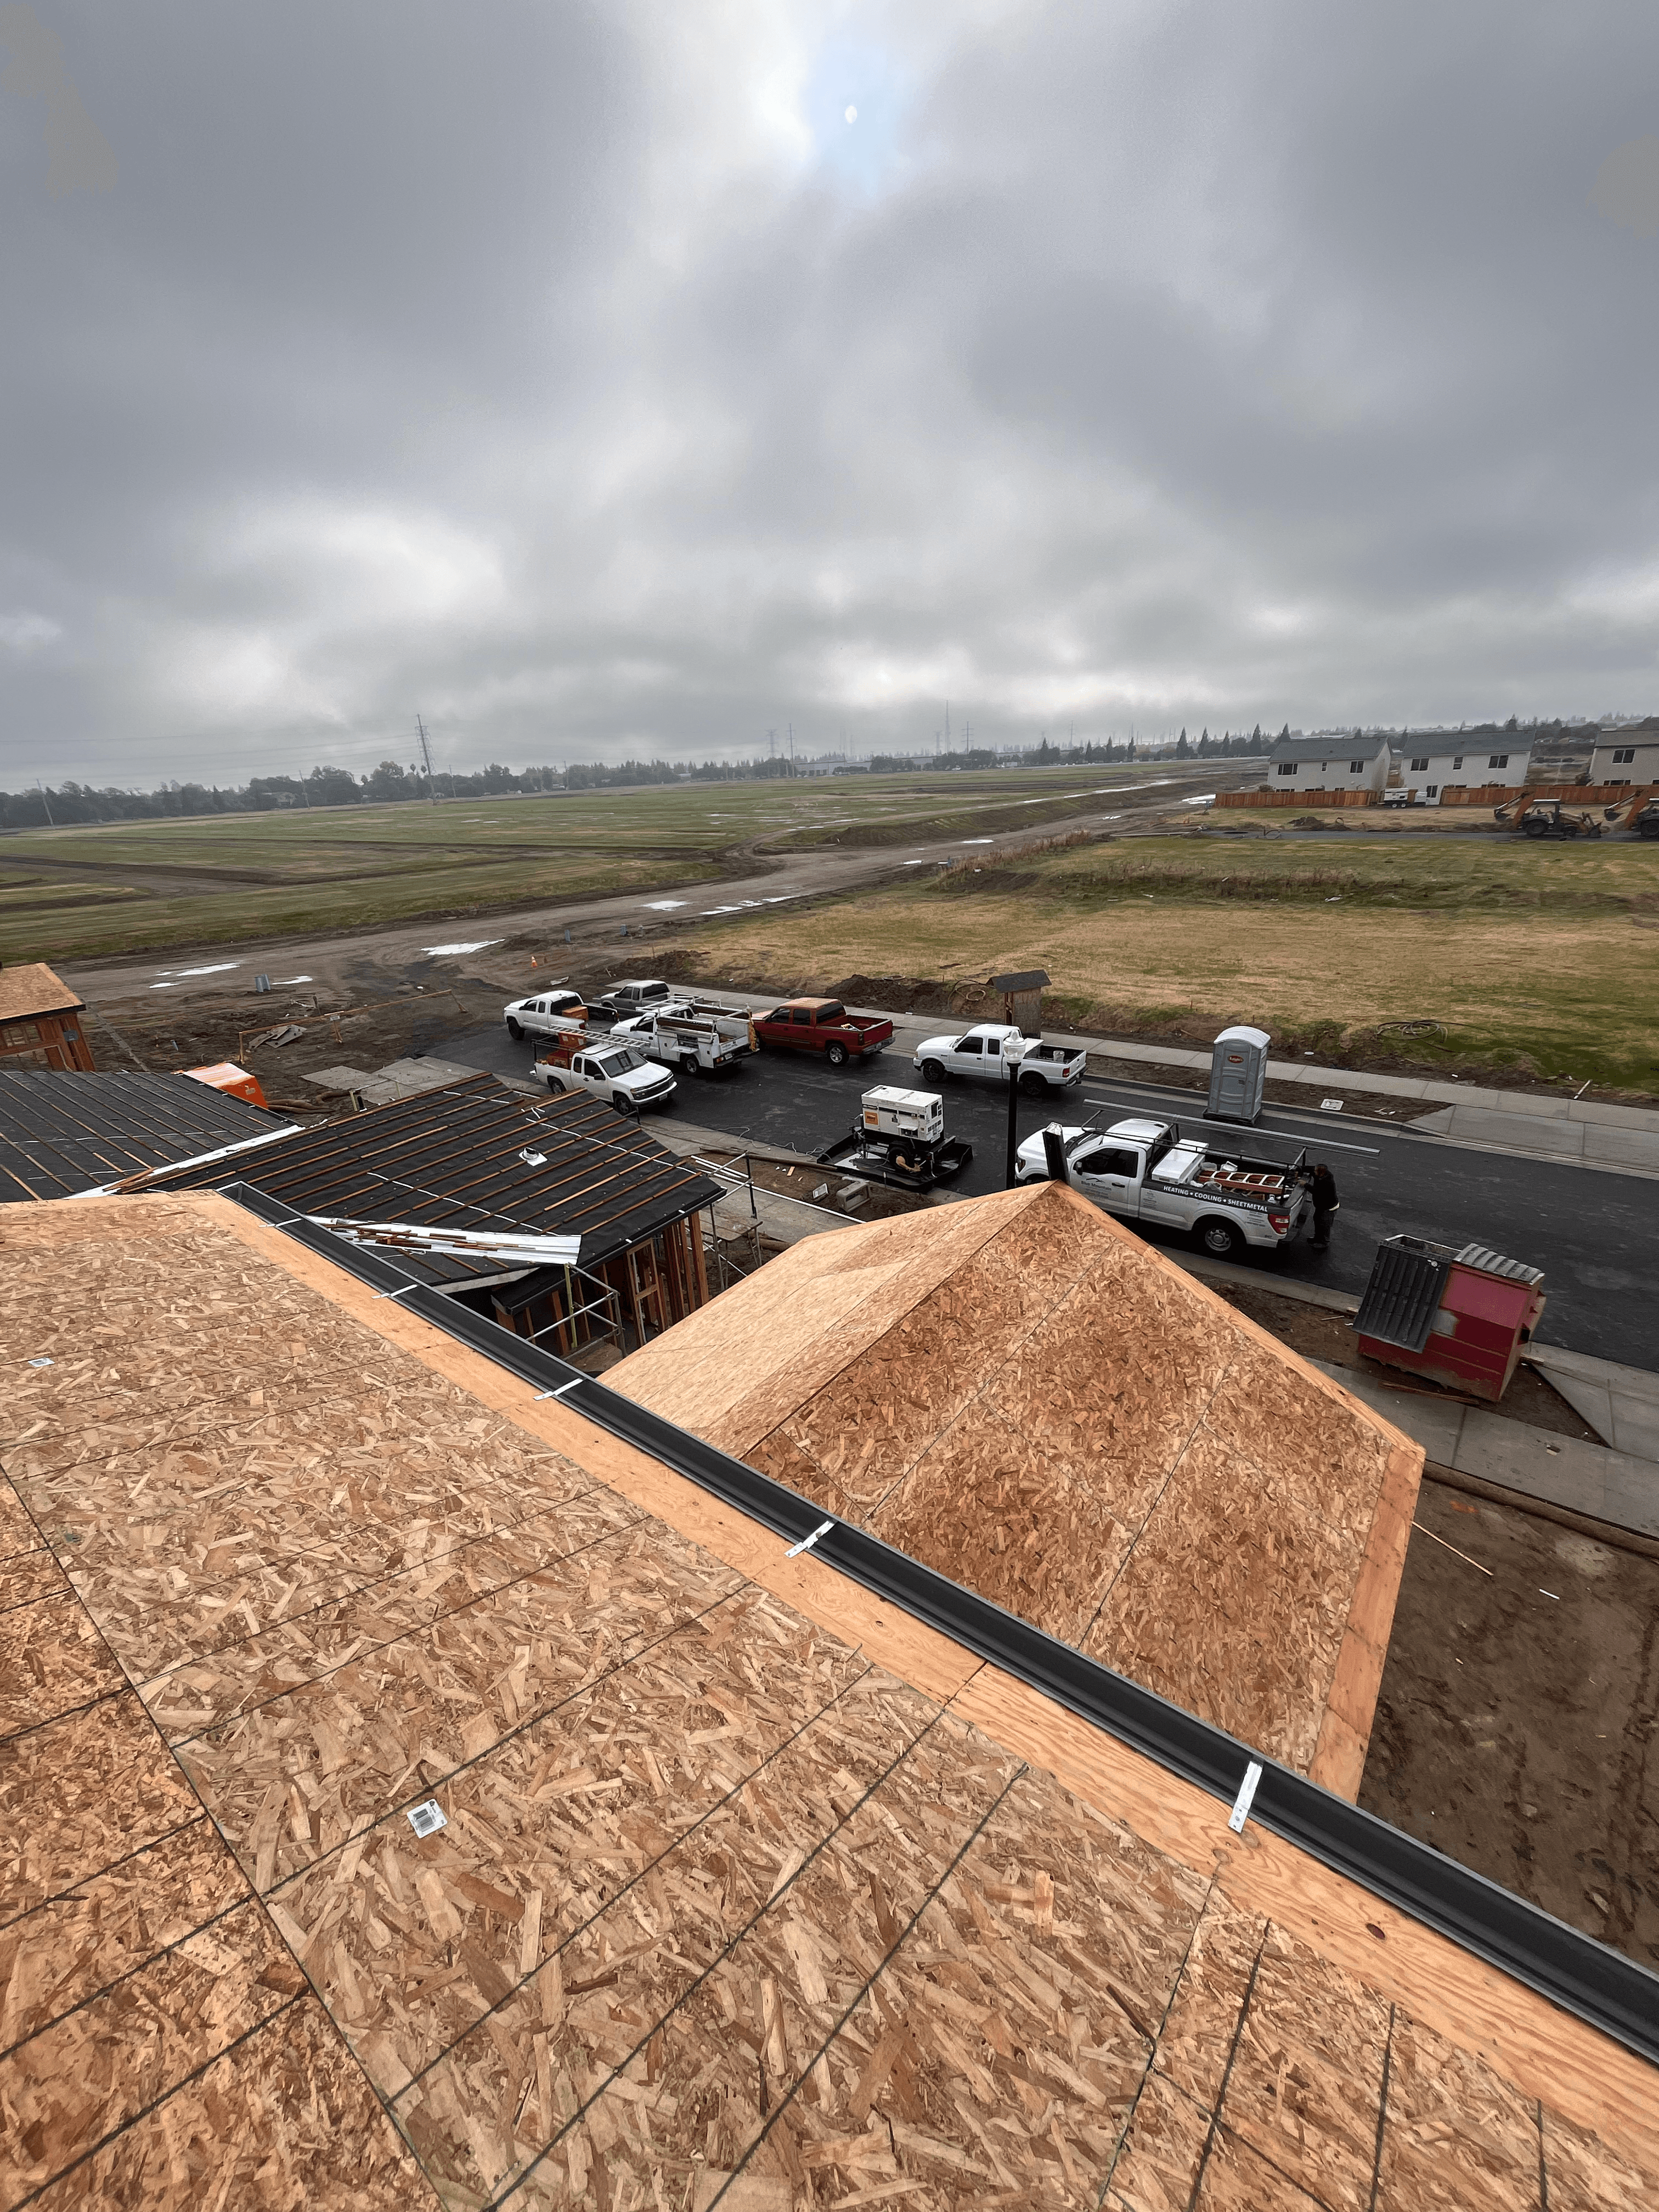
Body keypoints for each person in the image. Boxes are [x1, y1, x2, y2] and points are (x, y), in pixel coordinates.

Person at [1309, 1161, 1339, 1251]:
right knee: (1317, 1220)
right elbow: (1312, 1171)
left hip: (1328, 1208)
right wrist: (1301, 1169)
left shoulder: (1327, 1182)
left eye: (1316, 1171)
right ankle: (1317, 1238)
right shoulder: (1323, 1175)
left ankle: (1324, 1242)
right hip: (1321, 1206)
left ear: (1320, 1173)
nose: (1314, 1172)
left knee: (1325, 1224)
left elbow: (1317, 1192)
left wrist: (1305, 1185)